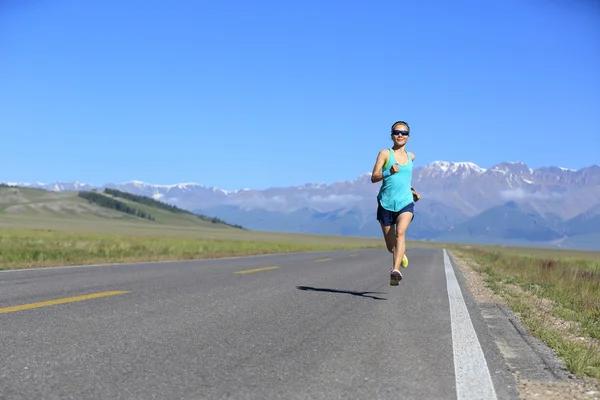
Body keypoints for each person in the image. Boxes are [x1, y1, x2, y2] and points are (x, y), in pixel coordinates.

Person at [370, 120, 420, 286]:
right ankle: (400, 253)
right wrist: (388, 171)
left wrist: (412, 192)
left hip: (405, 202)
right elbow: (373, 177)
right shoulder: (385, 154)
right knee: (391, 246)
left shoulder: (411, 156)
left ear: (408, 137)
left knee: (401, 233)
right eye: (397, 132)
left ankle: (395, 271)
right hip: (386, 204)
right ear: (392, 135)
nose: (400, 135)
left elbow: (405, 180)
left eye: (404, 133)